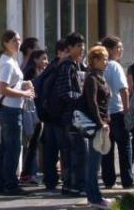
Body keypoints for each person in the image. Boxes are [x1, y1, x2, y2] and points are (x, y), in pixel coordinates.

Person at [0, 30, 35, 196]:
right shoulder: (7, 63)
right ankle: (10, 184)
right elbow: (3, 89)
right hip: (10, 110)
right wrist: (25, 93)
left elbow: (11, 84)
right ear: (5, 43)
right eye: (13, 40)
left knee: (5, 147)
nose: (17, 43)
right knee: (13, 148)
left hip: (11, 109)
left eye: (18, 40)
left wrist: (24, 84)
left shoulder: (11, 60)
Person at [53, 32, 88, 196]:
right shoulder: (67, 67)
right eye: (78, 46)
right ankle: (75, 186)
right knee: (78, 152)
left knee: (70, 153)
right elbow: (64, 92)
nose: (82, 49)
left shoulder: (76, 65)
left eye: (83, 45)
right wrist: (82, 98)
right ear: (70, 48)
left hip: (73, 116)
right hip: (70, 117)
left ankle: (69, 185)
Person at [36, 39, 70, 191]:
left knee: (51, 150)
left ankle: (51, 180)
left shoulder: (52, 67)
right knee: (61, 149)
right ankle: (61, 180)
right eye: (66, 51)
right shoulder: (59, 68)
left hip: (50, 116)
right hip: (56, 116)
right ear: (59, 52)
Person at [100, 36, 133, 190]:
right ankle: (127, 180)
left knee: (107, 149)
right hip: (117, 112)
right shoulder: (114, 66)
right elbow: (123, 90)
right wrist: (127, 110)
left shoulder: (99, 66)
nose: (121, 50)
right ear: (110, 49)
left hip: (103, 114)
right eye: (118, 47)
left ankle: (108, 180)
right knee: (124, 147)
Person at [83, 45, 113, 209]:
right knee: (93, 163)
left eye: (107, 59)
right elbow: (92, 102)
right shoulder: (92, 79)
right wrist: (100, 122)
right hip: (96, 125)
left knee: (96, 162)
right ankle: (94, 197)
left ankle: (94, 195)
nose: (106, 62)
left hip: (102, 123)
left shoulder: (100, 77)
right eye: (104, 59)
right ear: (95, 60)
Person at [20, 49, 48, 184]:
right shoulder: (32, 72)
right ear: (35, 59)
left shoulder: (38, 72)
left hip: (35, 112)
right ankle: (30, 173)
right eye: (43, 58)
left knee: (32, 144)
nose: (46, 62)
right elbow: (33, 93)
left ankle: (29, 173)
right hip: (32, 113)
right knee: (32, 144)